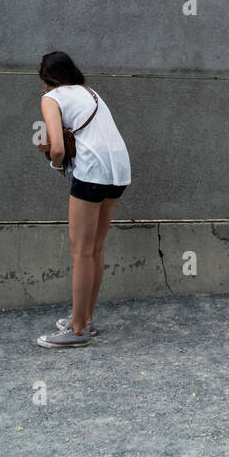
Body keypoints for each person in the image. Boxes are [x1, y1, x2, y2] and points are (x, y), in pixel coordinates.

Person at [36, 51, 131, 348]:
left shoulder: (52, 98)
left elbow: (59, 151)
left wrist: (54, 162)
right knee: (95, 248)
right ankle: (85, 318)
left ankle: (77, 330)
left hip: (91, 172)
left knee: (81, 251)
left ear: (48, 79)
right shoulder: (91, 92)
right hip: (119, 170)